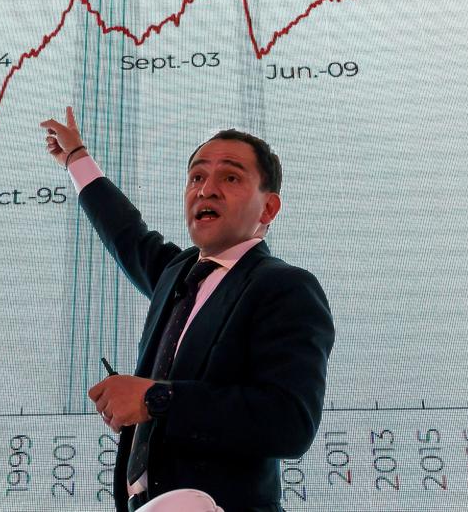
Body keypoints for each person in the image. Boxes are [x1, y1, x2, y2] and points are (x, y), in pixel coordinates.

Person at [39, 107, 335, 512]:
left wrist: (155, 398)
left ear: (268, 209)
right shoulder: (179, 273)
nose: (206, 189)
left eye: (230, 177)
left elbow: (289, 422)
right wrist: (77, 158)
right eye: (196, 177)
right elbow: (126, 233)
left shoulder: (284, 287)